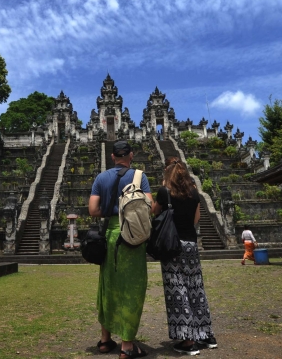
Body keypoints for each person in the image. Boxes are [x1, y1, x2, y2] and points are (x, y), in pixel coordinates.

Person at [88, 141, 153, 359]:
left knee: (108, 287)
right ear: (131, 156)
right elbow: (150, 206)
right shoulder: (139, 176)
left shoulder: (101, 178)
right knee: (132, 289)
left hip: (109, 236)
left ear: (113, 156)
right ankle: (127, 346)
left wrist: (111, 210)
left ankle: (105, 340)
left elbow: (93, 210)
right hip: (132, 237)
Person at [152, 157, 217, 356]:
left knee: (177, 290)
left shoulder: (165, 192)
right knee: (195, 287)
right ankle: (206, 335)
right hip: (191, 245)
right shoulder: (194, 194)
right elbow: (196, 219)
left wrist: (164, 193)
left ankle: (188, 341)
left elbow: (154, 213)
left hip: (173, 245)